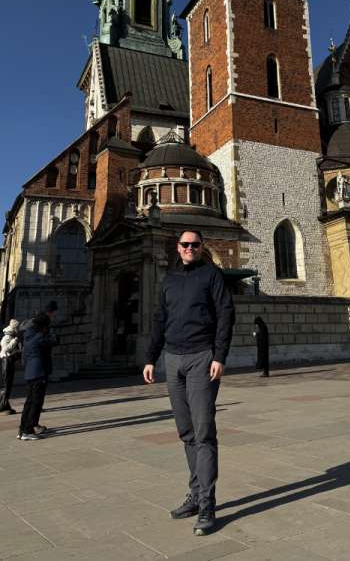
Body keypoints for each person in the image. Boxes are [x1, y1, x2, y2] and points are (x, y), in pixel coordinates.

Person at [143, 229, 235, 537]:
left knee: (204, 432)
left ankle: (208, 504)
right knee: (186, 432)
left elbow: (226, 314)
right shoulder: (169, 280)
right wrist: (150, 358)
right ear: (178, 248)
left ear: (201, 247)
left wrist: (219, 356)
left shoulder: (212, 275)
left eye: (195, 245)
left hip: (201, 357)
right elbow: (160, 319)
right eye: (185, 244)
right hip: (173, 358)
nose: (190, 248)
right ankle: (195, 495)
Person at [17, 302, 57, 441]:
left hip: (30, 372)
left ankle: (22, 429)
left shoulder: (28, 336)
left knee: (29, 402)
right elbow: (55, 340)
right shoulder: (39, 337)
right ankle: (28, 430)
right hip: (39, 372)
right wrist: (49, 328)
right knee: (36, 402)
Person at [0, 319, 21, 414]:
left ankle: (5, 404)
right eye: (17, 328)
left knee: (8, 384)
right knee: (6, 384)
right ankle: (1, 406)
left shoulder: (10, 336)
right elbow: (6, 349)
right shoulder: (7, 337)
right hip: (6, 361)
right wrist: (15, 341)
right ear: (14, 328)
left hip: (9, 361)